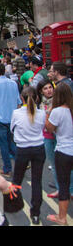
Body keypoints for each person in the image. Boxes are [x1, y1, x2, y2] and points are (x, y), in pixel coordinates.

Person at [10, 87, 46, 225]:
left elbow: (12, 129)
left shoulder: (16, 113)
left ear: (21, 98)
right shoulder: (41, 113)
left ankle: (13, 203)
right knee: (37, 181)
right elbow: (42, 128)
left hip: (23, 149)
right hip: (38, 148)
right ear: (37, 98)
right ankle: (35, 214)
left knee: (17, 178)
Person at [0, 63, 22, 177]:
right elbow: (18, 101)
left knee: (4, 144)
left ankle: (7, 168)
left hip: (0, 118)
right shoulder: (13, 83)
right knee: (12, 142)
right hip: (12, 117)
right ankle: (22, 162)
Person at [45, 83, 73, 226]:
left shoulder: (57, 111)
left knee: (63, 185)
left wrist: (48, 113)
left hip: (64, 151)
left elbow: (49, 129)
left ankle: (62, 217)